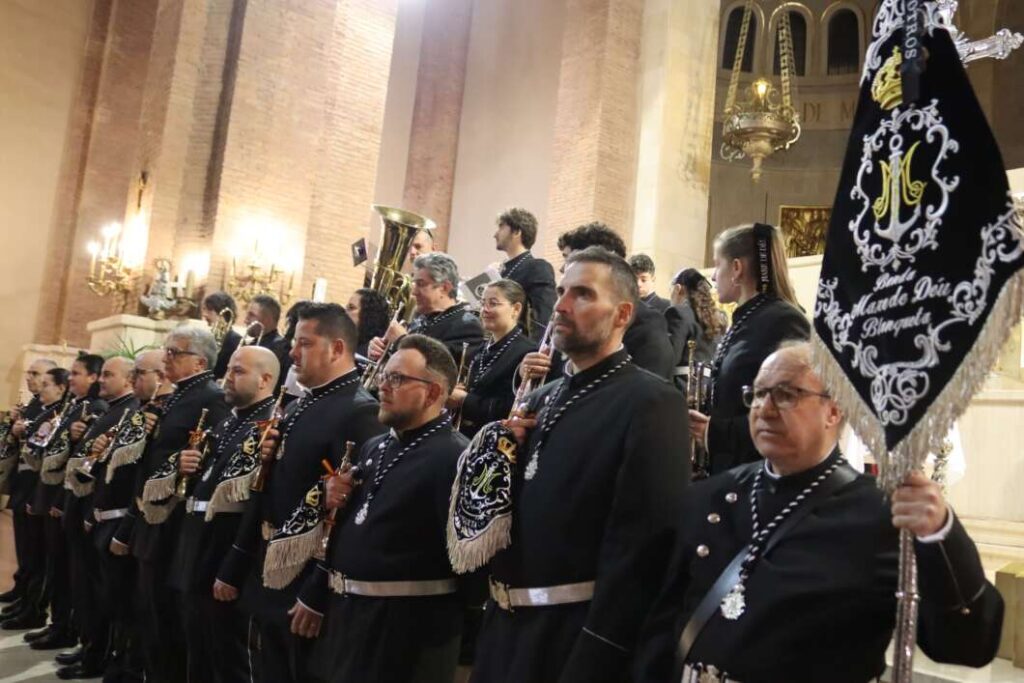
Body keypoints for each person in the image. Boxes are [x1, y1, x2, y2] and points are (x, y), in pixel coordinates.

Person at [635, 343, 1003, 682]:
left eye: (785, 394)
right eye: (758, 394)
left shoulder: (880, 516)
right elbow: (663, 622)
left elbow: (967, 644)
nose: (764, 407)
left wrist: (941, 534)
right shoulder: (711, 496)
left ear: (834, 409)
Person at [472, 247, 690, 683]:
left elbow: (643, 546)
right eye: (562, 291)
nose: (562, 305)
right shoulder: (538, 399)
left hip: (575, 639)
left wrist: (601, 649)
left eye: (583, 294)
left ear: (623, 313)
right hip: (503, 631)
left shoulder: (652, 402)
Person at [217, 303, 386, 683]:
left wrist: (318, 589)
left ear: (337, 349)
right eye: (294, 342)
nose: (293, 353)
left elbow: (346, 512)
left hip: (306, 575)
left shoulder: (360, 412)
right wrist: (237, 560)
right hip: (268, 564)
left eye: (304, 343)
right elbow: (266, 488)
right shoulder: (298, 406)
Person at [298, 334, 473, 682]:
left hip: (408, 636)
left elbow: (468, 567)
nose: (383, 386)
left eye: (397, 379)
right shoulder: (374, 447)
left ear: (434, 393)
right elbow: (346, 527)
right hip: (349, 619)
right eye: (384, 375)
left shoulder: (456, 457)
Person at [112, 329, 230, 683]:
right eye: (166, 351)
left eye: (174, 352)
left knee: (167, 621)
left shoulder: (211, 397)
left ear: (200, 361)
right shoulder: (178, 396)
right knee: (149, 613)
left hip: (174, 523)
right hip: (154, 518)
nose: (166, 358)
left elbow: (209, 459)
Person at [172, 346, 280, 683]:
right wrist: (185, 467)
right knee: (197, 647)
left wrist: (233, 565)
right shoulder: (225, 423)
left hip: (225, 552)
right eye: (229, 370)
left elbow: (257, 503)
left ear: (265, 379)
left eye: (238, 372)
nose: (227, 379)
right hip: (196, 547)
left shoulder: (269, 429)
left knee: (227, 657)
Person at [687, 223, 809, 475]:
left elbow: (796, 411)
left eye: (717, 265)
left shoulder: (783, 320)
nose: (712, 276)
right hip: (733, 469)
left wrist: (715, 432)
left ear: (736, 268)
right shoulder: (747, 318)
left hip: (762, 474)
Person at [87, 351, 172, 681]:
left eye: (141, 372)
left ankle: (127, 665)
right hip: (109, 515)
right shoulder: (138, 412)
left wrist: (125, 526)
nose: (136, 378)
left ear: (160, 376)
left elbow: (142, 476)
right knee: (110, 599)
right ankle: (109, 657)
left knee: (130, 604)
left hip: (130, 519)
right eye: (133, 372)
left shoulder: (160, 413)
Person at [55, 356, 139, 680]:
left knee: (102, 595)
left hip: (104, 514)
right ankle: (89, 645)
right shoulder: (111, 409)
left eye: (108, 374)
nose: (101, 380)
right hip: (90, 511)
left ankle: (98, 654)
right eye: (100, 374)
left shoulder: (126, 412)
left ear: (128, 379)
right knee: (87, 589)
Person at [27, 353, 106, 652]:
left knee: (69, 572)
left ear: (93, 377)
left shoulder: (96, 409)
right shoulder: (78, 406)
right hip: (59, 496)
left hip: (71, 500)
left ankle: (70, 631)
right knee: (58, 568)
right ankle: (60, 625)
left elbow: (81, 464)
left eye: (76, 372)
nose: (70, 377)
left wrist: (61, 500)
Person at [553, 223, 675, 379]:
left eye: (583, 294)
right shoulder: (565, 319)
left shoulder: (647, 325)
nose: (563, 268)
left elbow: (649, 388)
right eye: (561, 292)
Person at [2, 366, 68, 631]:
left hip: (39, 489)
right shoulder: (39, 408)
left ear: (59, 388)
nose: (38, 384)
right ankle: (24, 598)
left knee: (38, 554)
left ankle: (34, 608)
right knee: (26, 552)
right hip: (25, 485)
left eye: (45, 381)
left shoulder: (59, 414)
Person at [446, 280, 536, 438]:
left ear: (516, 309)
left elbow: (512, 408)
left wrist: (464, 400)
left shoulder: (527, 352)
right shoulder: (483, 348)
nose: (484, 310)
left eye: (493, 304)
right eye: (483, 303)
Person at [370, 253, 485, 363]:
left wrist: (401, 341)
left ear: (444, 288)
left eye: (421, 284)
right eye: (415, 284)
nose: (414, 292)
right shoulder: (419, 320)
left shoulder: (467, 326)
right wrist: (381, 351)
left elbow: (439, 367)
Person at [494, 208, 557, 338]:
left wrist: (531, 351)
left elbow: (542, 319)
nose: (495, 234)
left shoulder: (538, 268)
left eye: (501, 227)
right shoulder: (499, 271)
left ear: (516, 231)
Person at [665, 268, 727, 389]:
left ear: (678, 288)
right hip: (708, 389)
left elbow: (670, 359)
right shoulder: (719, 318)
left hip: (683, 388)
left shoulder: (677, 313)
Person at [202, 291, 242, 380]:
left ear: (223, 313)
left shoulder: (236, 341)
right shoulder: (208, 338)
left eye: (209, 310)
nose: (204, 315)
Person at [347, 288, 391, 359]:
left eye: (351, 308)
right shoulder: (349, 344)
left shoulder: (374, 350)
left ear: (368, 314)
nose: (345, 313)